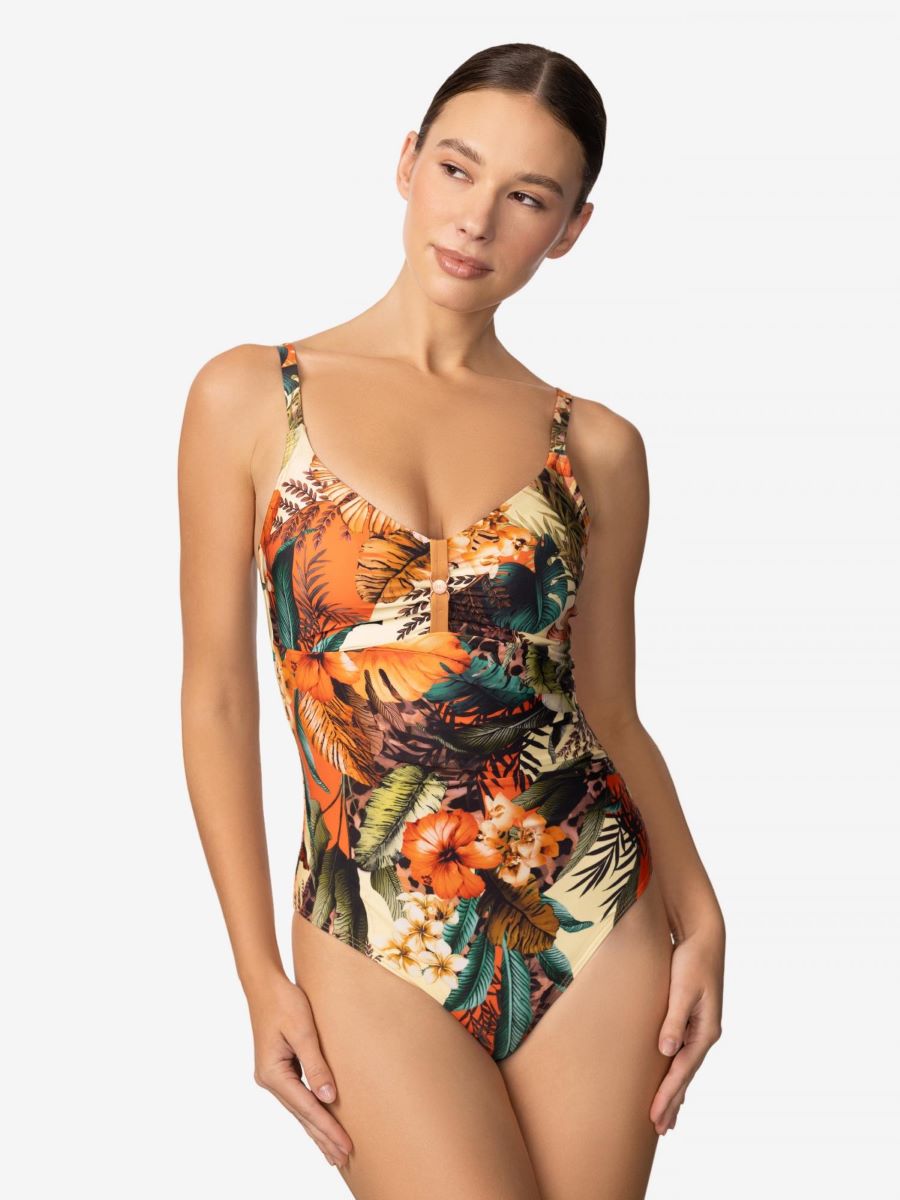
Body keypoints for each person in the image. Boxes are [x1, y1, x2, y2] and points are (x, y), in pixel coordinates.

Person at [179, 42, 725, 1200]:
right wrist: (256, 972)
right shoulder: (251, 396)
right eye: (458, 169)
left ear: (569, 229)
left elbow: (610, 709)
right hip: (368, 921)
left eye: (528, 196)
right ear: (407, 163)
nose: (476, 218)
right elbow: (217, 697)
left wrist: (704, 914)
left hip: (594, 913)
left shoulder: (598, 447)